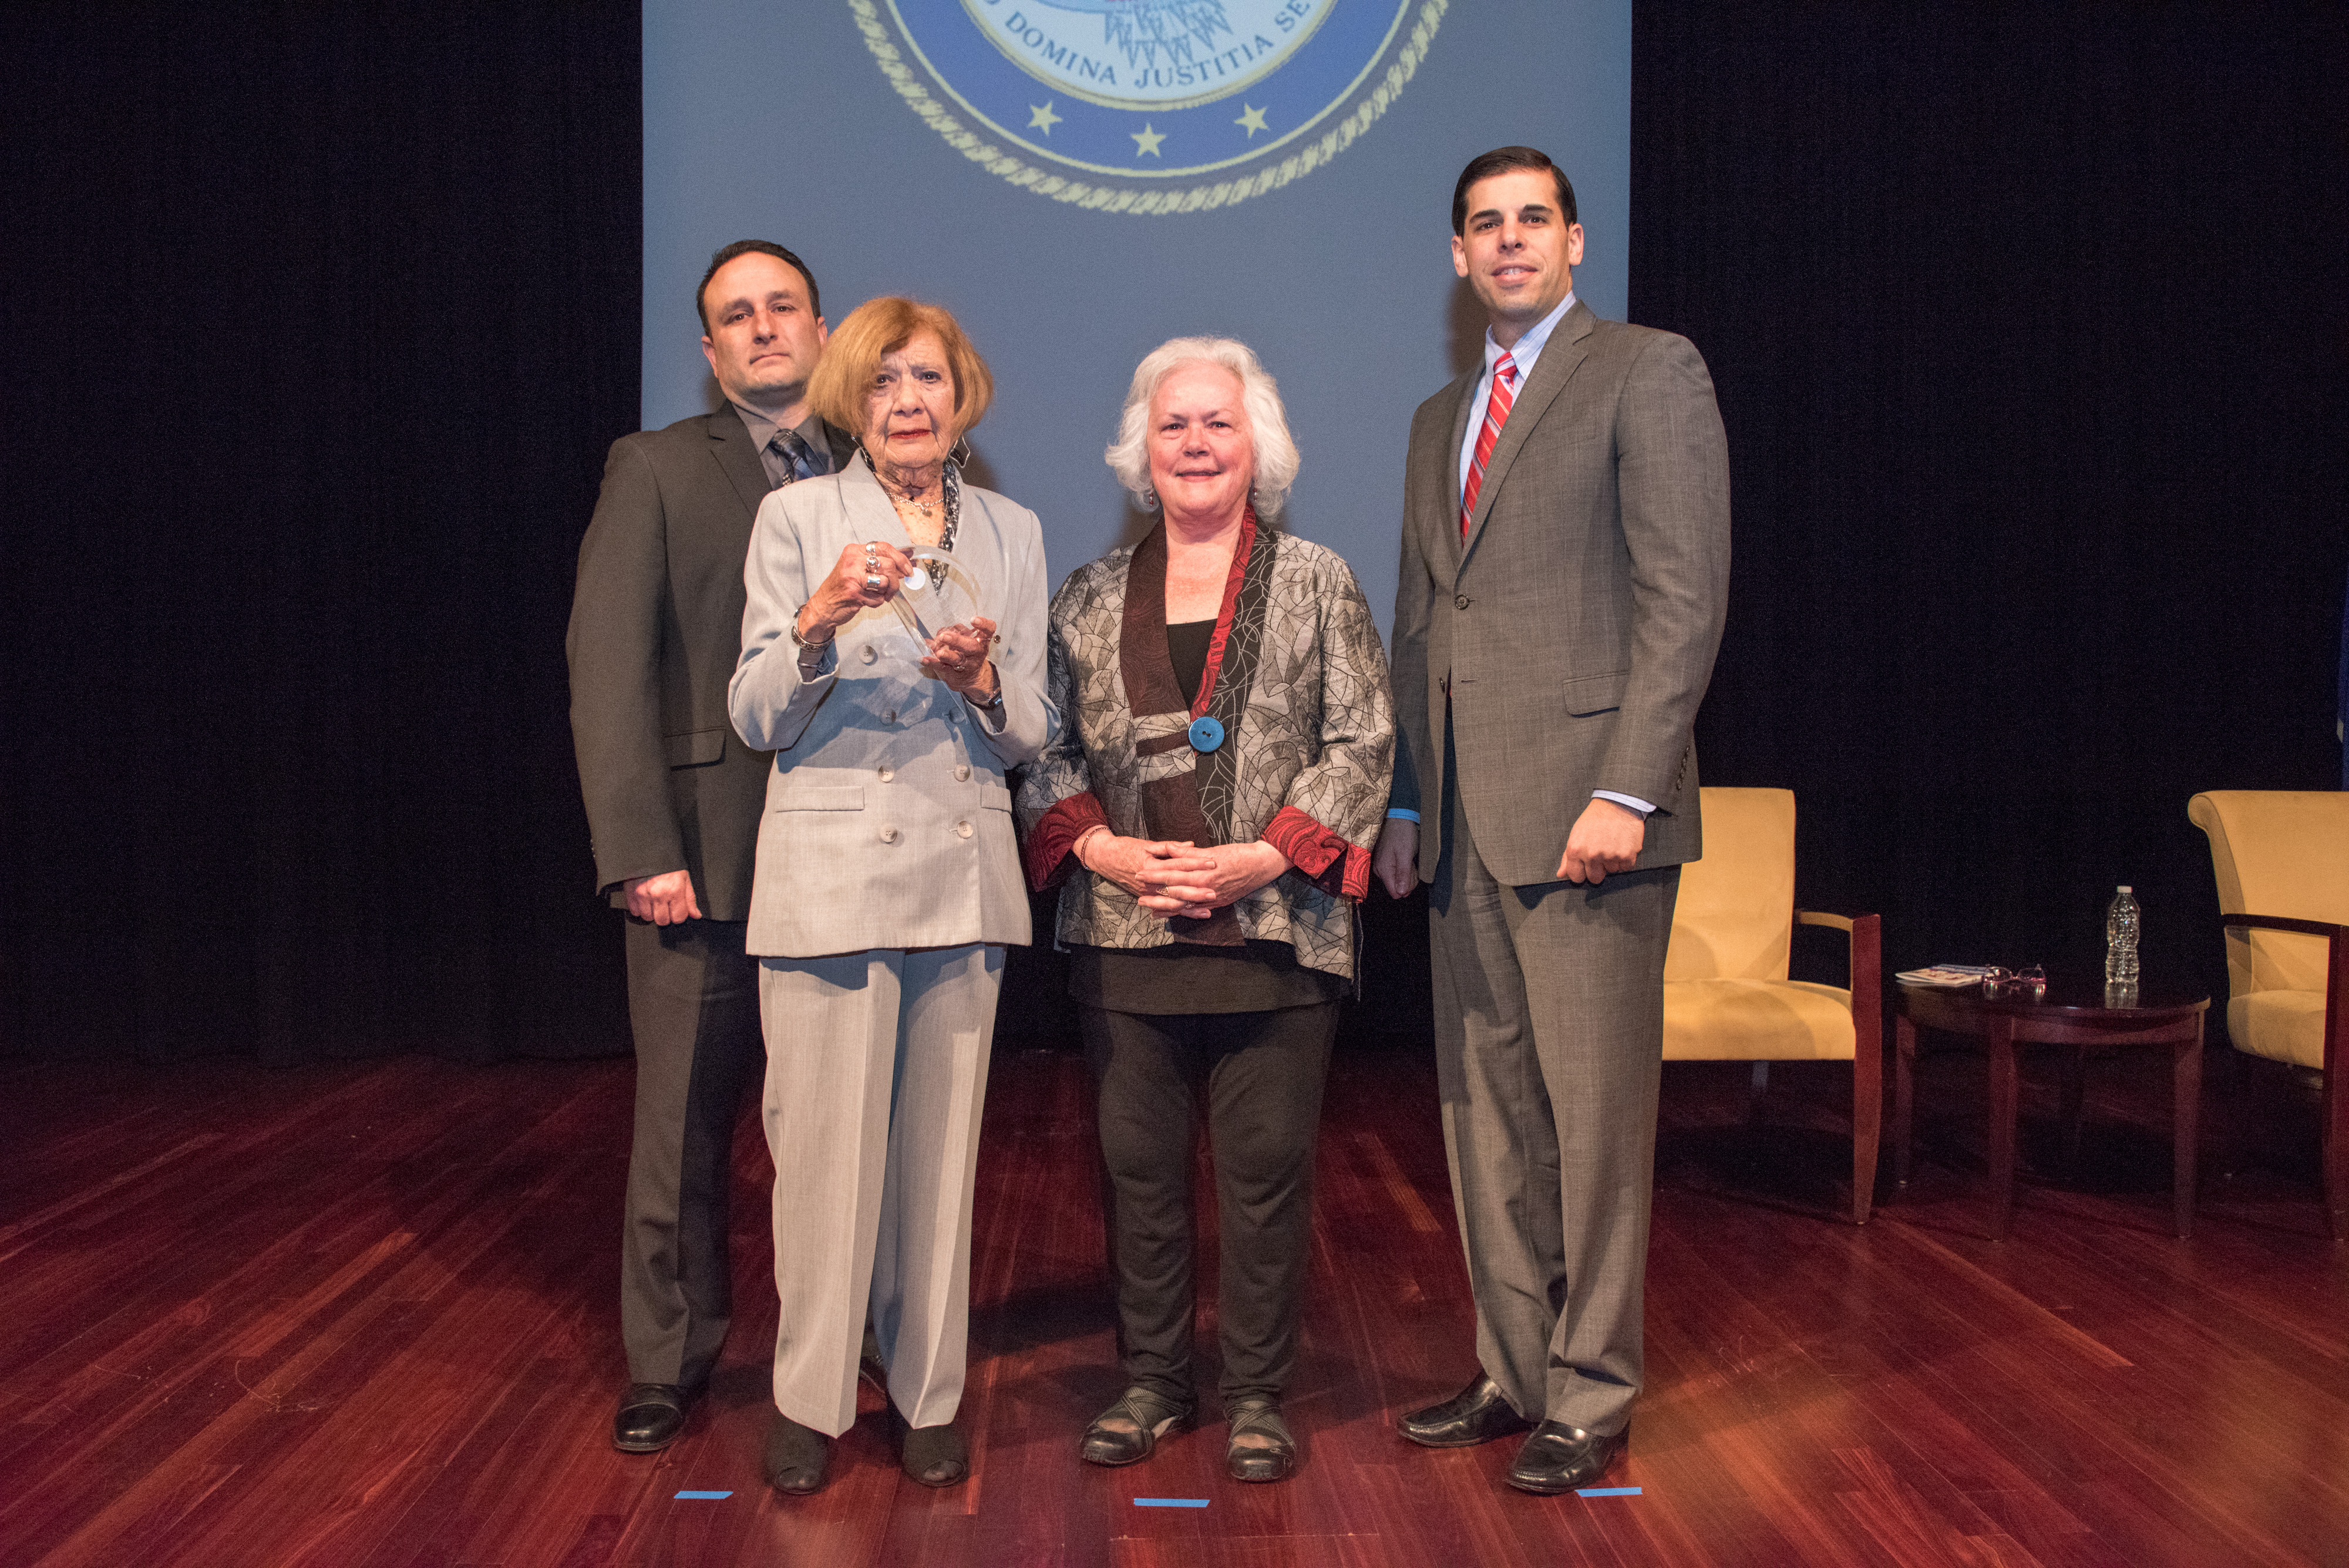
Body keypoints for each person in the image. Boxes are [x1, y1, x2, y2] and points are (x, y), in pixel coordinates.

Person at [1377, 147, 1731, 1495]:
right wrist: (1407, 797)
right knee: (1484, 1120)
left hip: (1592, 818)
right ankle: (1512, 1370)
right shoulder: (1436, 417)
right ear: (1455, 254)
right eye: (1485, 223)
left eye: (1534, 219)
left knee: (1593, 1129)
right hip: (1462, 820)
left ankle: (1590, 1394)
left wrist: (1626, 790)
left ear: (1574, 242)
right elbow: (1423, 624)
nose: (1510, 239)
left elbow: (1681, 600)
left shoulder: (1646, 371)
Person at [1017, 337, 1395, 1484]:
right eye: (1172, 424)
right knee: (1137, 1173)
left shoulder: (1319, 580)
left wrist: (1262, 859)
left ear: (1257, 447)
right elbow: (1045, 753)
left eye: (1217, 423)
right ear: (1141, 452)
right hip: (1124, 936)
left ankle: (1258, 1396)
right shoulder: (1085, 597)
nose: (1194, 443)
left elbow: (1362, 740)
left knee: (1265, 1174)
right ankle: (1152, 1385)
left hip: (1276, 933)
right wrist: (1103, 848)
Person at [728, 297, 1052, 1495]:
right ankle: (809, 1399)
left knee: (938, 1163)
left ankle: (927, 1395)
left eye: (928, 378)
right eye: (882, 381)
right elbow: (754, 714)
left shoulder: (1012, 529)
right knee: (820, 1158)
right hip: (827, 878)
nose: (908, 400)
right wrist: (818, 621)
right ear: (849, 401)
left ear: (961, 395)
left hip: (959, 877)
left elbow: (1034, 729)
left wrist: (983, 683)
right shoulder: (796, 517)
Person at [567, 239, 851, 1455]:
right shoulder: (654, 467)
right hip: (705, 860)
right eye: (737, 315)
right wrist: (641, 847)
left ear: (823, 328)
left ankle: (854, 1340)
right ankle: (669, 1355)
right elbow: (606, 667)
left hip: (855, 856)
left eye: (782, 306)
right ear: (709, 349)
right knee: (683, 1124)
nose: (763, 326)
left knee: (844, 1130)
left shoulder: (885, 463)